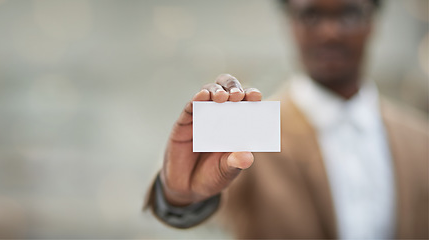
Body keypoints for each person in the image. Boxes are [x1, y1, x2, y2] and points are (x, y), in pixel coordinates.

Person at [145, 0, 428, 238]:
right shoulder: (248, 132)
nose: (330, 32)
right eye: (311, 15)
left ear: (374, 22)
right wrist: (180, 196)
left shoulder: (420, 140)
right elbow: (194, 199)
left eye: (350, 13)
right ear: (290, 22)